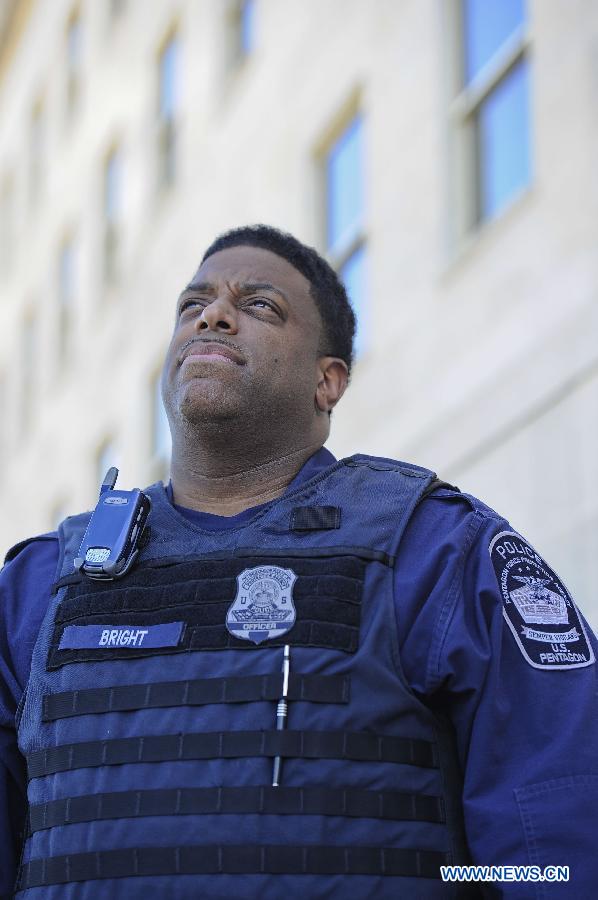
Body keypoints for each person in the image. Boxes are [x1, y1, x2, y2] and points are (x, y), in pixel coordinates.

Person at [1, 225, 597, 899]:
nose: (212, 314)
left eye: (260, 305)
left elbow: (557, 845)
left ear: (328, 380)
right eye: (192, 304)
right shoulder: (36, 587)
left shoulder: (438, 552)